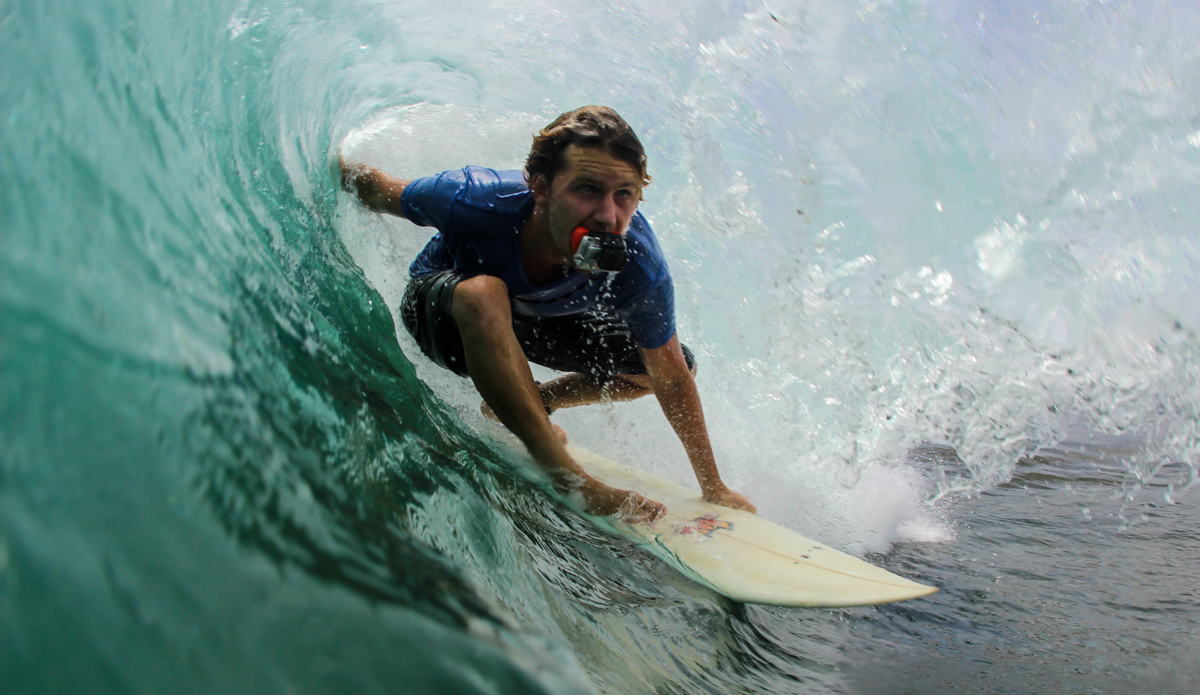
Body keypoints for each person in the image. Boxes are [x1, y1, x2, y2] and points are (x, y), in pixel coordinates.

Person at [340, 105, 754, 524]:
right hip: (443, 313)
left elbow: (671, 376)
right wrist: (332, 167)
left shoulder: (637, 261)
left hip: (530, 320)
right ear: (540, 186)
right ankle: (568, 479)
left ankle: (538, 401)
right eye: (587, 189)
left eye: (624, 194)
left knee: (665, 366)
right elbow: (378, 189)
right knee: (485, 292)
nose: (608, 216)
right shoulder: (472, 199)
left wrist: (713, 487)